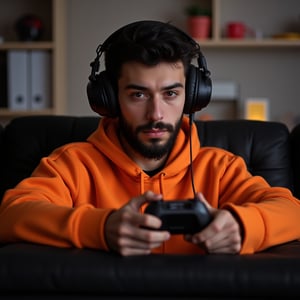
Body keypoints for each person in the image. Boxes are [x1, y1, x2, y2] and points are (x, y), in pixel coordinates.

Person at [0, 20, 300, 257]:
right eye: (138, 94)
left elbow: (293, 211)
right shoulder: (72, 164)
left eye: (171, 94)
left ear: (192, 96)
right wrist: (100, 228)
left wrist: (244, 226)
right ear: (111, 99)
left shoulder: (221, 168)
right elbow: (11, 215)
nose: (156, 113)